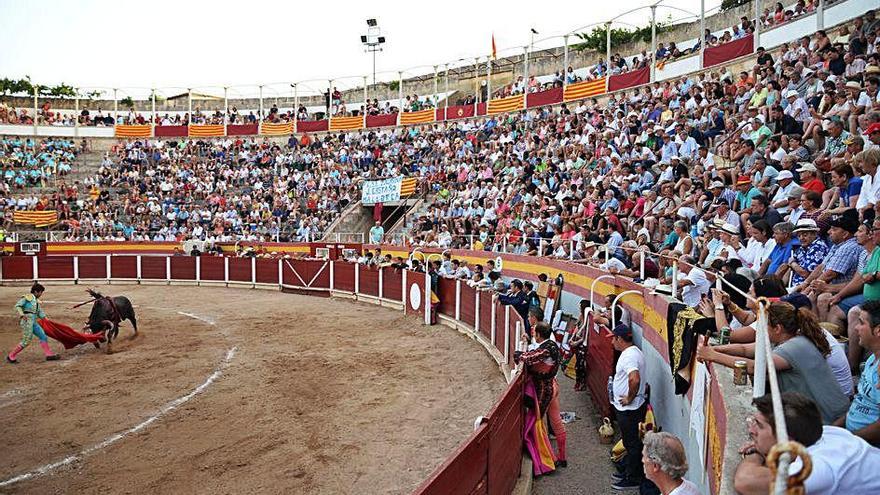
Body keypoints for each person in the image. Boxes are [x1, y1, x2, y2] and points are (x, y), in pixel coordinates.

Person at [698, 301, 849, 423]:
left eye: (764, 325)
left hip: (829, 418)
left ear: (777, 328)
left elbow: (754, 367)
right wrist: (716, 350)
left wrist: (713, 356)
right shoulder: (784, 339)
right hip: (823, 413)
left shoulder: (795, 346)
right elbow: (744, 349)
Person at [734, 392, 880, 495]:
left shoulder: (818, 467)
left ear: (787, 439)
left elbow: (745, 482)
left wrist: (756, 453)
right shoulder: (825, 432)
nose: (751, 430)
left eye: (759, 425)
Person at [515, 321, 567, 467]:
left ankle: (548, 459)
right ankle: (562, 457)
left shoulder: (546, 349)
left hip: (544, 390)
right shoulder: (551, 344)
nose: (533, 334)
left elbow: (529, 357)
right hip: (553, 386)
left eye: (534, 332)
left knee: (536, 421)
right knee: (556, 421)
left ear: (538, 335)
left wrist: (518, 354)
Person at [609, 323, 647, 490]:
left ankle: (632, 478)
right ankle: (629, 472)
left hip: (629, 408)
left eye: (613, 339)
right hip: (632, 407)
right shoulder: (634, 352)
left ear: (619, 338)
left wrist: (629, 398)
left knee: (632, 444)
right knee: (631, 442)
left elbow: (635, 379)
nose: (612, 343)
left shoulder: (628, 356)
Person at [837, 300, 880, 446]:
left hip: (867, 447)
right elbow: (859, 402)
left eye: (861, 323)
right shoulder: (871, 360)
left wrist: (847, 439)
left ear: (878, 331)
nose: (856, 328)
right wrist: (832, 429)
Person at [7, 281, 59, 363]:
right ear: (36, 292)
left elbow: (39, 312)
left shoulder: (36, 301)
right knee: (26, 341)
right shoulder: (27, 298)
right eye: (41, 292)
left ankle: (49, 354)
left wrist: (45, 319)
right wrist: (21, 314)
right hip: (26, 321)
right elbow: (17, 306)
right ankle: (11, 356)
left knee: (43, 336)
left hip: (33, 322)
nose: (41, 294)